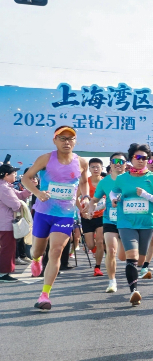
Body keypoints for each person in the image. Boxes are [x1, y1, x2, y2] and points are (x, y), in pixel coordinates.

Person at [21, 126, 90, 310]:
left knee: (56, 250)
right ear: (55, 140)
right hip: (43, 212)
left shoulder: (81, 162)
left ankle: (45, 295)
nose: (67, 142)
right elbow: (26, 178)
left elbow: (84, 182)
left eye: (70, 138)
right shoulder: (45, 159)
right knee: (37, 251)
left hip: (65, 214)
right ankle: (36, 260)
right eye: (62, 138)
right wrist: (38, 192)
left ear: (75, 141)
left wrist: (85, 197)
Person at [111, 144, 153, 306]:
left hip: (147, 223)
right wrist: (114, 199)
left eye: (145, 158)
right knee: (132, 256)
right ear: (131, 159)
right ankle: (134, 291)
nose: (141, 161)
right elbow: (114, 192)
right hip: (126, 222)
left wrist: (146, 195)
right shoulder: (122, 178)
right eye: (138, 157)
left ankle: (137, 269)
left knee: (140, 260)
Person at [90, 154, 126, 293]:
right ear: (110, 164)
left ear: (125, 164)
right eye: (114, 161)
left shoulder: (132, 179)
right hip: (110, 219)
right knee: (111, 250)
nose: (118, 163)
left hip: (128, 220)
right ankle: (112, 281)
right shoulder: (104, 182)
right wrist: (91, 208)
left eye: (121, 161)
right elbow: (95, 200)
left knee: (122, 256)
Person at [0, 163, 32, 283]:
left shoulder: (5, 186)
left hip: (4, 223)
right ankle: (3, 273)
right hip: (5, 223)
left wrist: (30, 189)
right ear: (6, 175)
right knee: (7, 248)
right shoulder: (4, 188)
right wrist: (21, 204)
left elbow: (20, 195)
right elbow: (16, 204)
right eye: (13, 173)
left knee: (6, 247)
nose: (15, 175)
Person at [81, 158, 107, 277]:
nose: (95, 169)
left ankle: (97, 267)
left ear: (102, 168)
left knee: (100, 241)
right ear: (89, 169)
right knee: (91, 245)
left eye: (98, 167)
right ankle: (96, 251)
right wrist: (82, 211)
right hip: (87, 217)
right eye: (93, 167)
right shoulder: (85, 182)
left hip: (102, 216)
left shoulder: (106, 182)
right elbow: (76, 198)